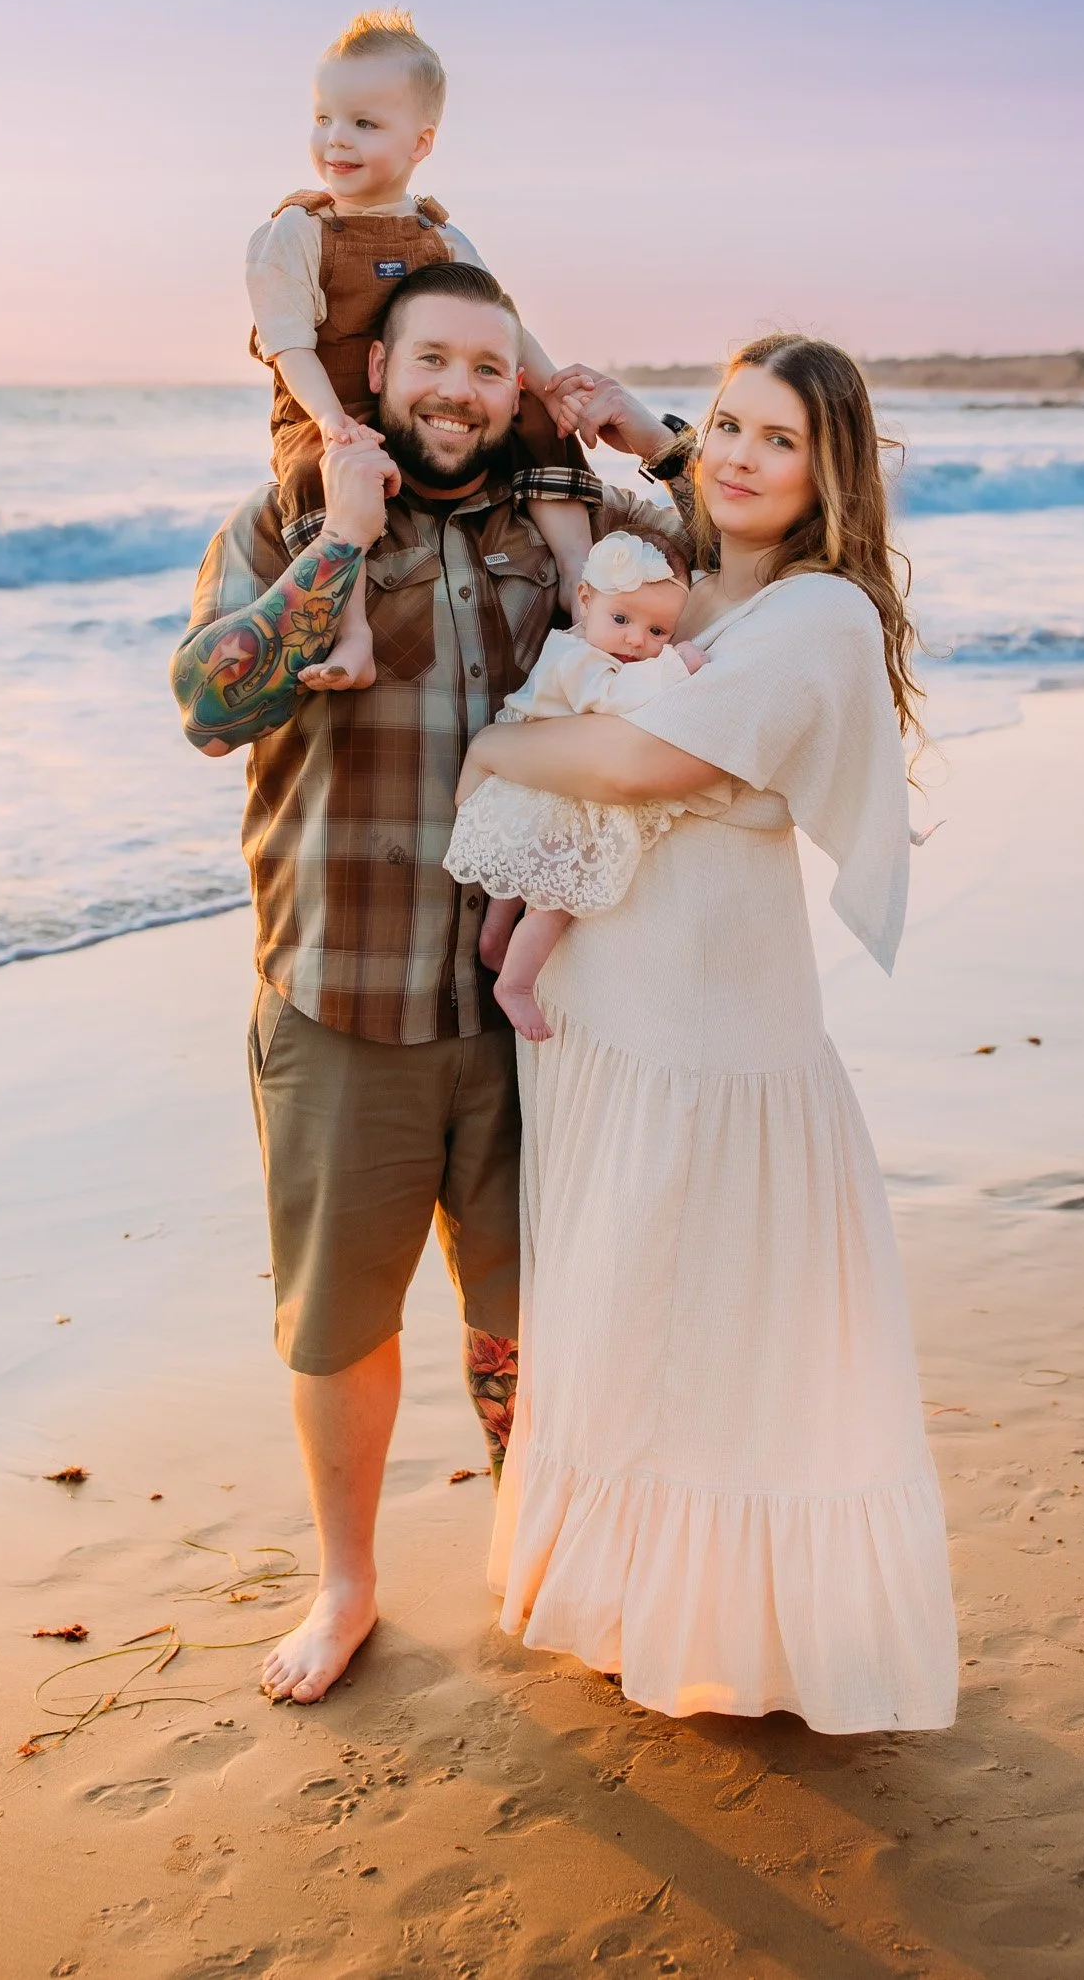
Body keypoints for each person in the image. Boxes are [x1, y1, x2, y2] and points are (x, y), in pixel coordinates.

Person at [169, 262, 691, 1705]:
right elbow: (209, 703)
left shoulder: (565, 524)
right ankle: (346, 1586)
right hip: (343, 997)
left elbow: (766, 563)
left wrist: (655, 437)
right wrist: (338, 545)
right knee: (340, 1321)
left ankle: (550, 1555)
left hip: (546, 1004)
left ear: (515, 381)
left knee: (536, 1314)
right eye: (432, 361)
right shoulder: (287, 514)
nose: (458, 390)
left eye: (487, 364)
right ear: (376, 371)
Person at [456, 333, 960, 1733]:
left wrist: (491, 746)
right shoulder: (678, 573)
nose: (737, 455)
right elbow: (605, 471)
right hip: (602, 1021)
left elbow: (642, 760)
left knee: (719, 1335)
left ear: (828, 471)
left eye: (778, 439)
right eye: (726, 426)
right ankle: (632, 1606)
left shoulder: (818, 619)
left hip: (713, 1043)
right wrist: (612, 415)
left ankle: (744, 1629)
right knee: (621, 1318)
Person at [245, 10, 598, 691]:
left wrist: (549, 384)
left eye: (364, 124)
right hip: (330, 397)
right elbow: (287, 342)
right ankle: (352, 635)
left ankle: (577, 575)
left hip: (422, 398)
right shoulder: (296, 231)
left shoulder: (439, 234)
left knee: (534, 421)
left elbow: (502, 320)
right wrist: (329, 421)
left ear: (421, 142)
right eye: (323, 119)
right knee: (324, 474)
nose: (335, 140)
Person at [444, 530, 709, 1040]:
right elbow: (610, 699)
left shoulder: (578, 645)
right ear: (585, 600)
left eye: (659, 631)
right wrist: (677, 665)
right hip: (550, 785)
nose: (637, 640)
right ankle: (515, 984)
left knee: (521, 878)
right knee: (555, 898)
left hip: (534, 780)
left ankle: (496, 944)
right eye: (622, 619)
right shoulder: (581, 660)